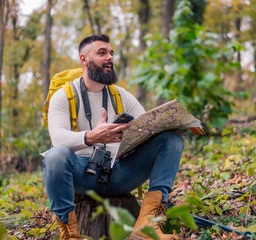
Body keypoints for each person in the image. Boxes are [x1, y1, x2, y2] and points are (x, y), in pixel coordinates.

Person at [43, 34, 184, 240]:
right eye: (102, 53)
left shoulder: (121, 95)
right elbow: (58, 140)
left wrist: (167, 126)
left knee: (171, 140)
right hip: (82, 175)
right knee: (55, 156)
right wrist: (91, 137)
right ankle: (71, 235)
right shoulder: (64, 95)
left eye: (111, 53)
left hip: (119, 173)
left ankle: (147, 224)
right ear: (84, 59)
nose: (109, 57)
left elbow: (148, 130)